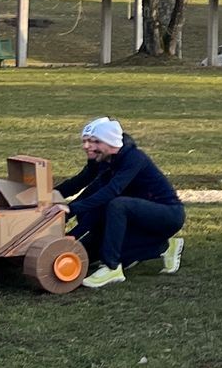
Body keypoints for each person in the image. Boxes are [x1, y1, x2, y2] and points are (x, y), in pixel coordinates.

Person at [60, 117, 186, 291]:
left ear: (111, 143)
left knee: (117, 204)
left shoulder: (134, 159)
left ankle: (112, 267)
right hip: (134, 218)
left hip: (167, 215)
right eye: (85, 141)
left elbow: (111, 193)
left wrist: (71, 209)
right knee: (83, 254)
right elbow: (82, 185)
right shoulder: (103, 160)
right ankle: (163, 246)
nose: (87, 146)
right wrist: (52, 198)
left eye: (94, 141)